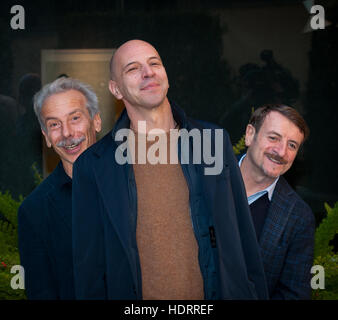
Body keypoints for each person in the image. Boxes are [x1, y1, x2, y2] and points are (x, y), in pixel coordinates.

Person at [72, 39, 268, 300]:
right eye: (133, 68)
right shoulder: (94, 165)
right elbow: (89, 270)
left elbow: (243, 238)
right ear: (115, 89)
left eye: (155, 63)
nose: (148, 72)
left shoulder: (212, 142)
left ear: (166, 75)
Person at [18, 77, 102, 299]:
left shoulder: (133, 186)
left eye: (75, 118)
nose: (67, 133)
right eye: (54, 124)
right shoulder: (34, 211)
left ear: (96, 121)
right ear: (46, 137)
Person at [239, 104, 315, 299]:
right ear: (250, 135)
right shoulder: (203, 179)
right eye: (273, 138)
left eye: (292, 145)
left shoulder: (299, 217)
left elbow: (293, 295)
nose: (281, 152)